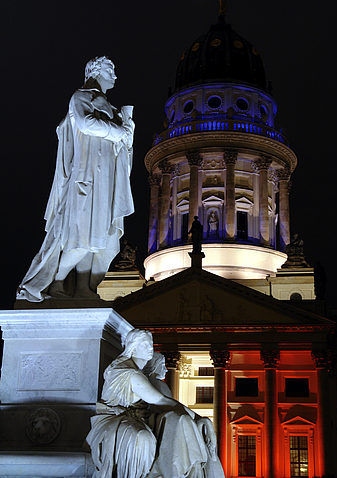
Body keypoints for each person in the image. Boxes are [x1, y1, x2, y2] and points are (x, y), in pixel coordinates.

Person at [16, 56, 134, 301]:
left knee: (107, 244)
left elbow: (124, 146)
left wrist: (128, 128)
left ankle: (83, 288)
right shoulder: (82, 97)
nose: (115, 76)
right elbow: (85, 123)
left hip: (107, 180)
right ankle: (56, 281)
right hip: (87, 177)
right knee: (83, 238)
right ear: (96, 71)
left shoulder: (112, 109)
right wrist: (119, 131)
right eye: (111, 71)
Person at [86, 329, 209, 478]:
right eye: (144, 344)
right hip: (114, 420)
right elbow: (161, 400)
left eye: (150, 344)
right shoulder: (130, 373)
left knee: (176, 423)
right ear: (133, 347)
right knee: (143, 438)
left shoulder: (134, 370)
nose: (150, 348)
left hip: (135, 418)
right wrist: (197, 417)